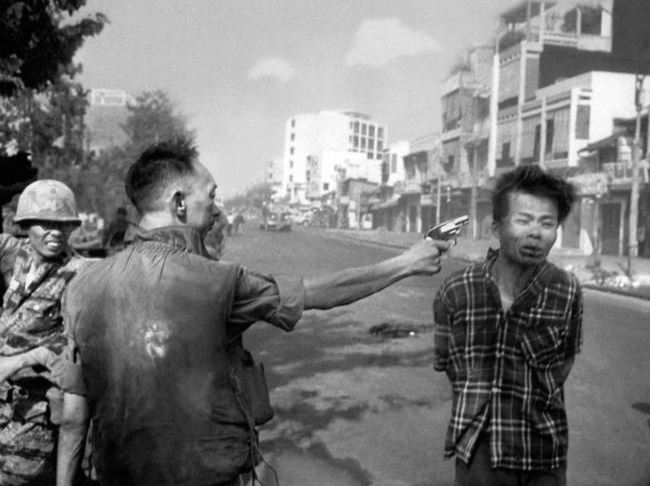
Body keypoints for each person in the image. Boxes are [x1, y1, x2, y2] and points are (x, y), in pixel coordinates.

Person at [57, 137, 450, 486]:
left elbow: (75, 414)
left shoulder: (81, 288)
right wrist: (407, 262)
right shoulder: (218, 282)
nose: (216, 209)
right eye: (210, 196)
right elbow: (322, 293)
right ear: (179, 203)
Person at [433, 165, 582, 486]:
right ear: (496, 228)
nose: (536, 232)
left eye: (547, 223)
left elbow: (565, 362)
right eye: (524, 220)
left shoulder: (567, 289)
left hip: (542, 454)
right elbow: (447, 362)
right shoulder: (456, 291)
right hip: (476, 452)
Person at [0, 180, 87, 485]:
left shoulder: (79, 274)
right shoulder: (17, 255)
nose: (55, 232)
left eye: (63, 225)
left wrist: (19, 360)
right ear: (25, 225)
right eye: (45, 224)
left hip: (34, 409)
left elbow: (74, 340)